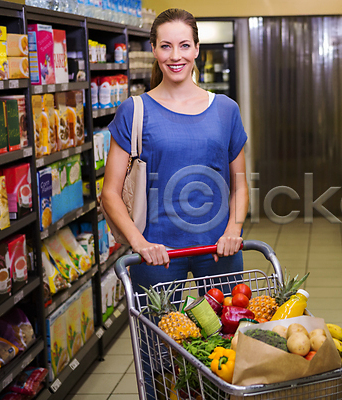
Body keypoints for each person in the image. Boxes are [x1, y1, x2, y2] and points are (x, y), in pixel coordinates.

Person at [102, 8, 249, 295]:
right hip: (158, 253)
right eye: (165, 46)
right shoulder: (134, 111)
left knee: (228, 336)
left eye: (184, 45)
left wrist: (233, 230)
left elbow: (239, 185)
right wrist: (139, 243)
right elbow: (110, 192)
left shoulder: (226, 110)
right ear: (154, 50)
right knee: (159, 338)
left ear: (196, 49)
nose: (175, 56)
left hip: (220, 248)